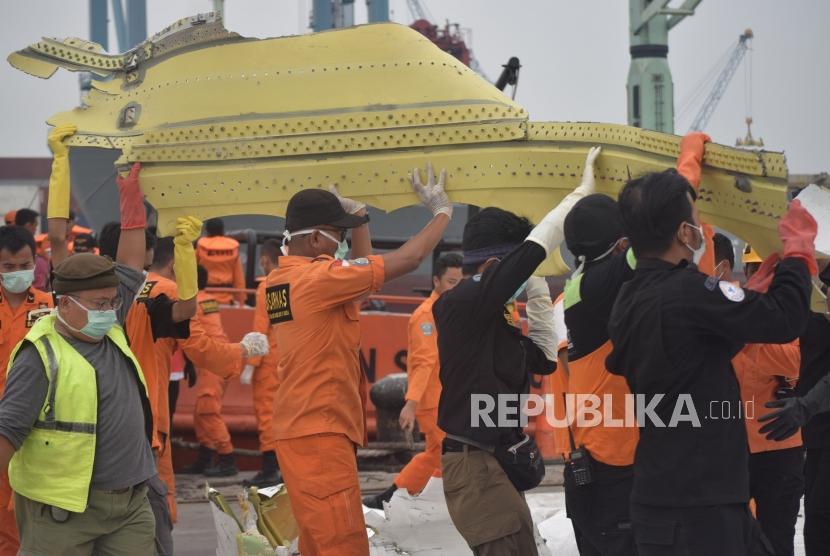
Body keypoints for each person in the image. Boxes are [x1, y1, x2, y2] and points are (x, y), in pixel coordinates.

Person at [606, 168, 816, 554]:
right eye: (696, 220)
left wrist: (740, 305)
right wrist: (799, 252)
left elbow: (686, 353)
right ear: (685, 233)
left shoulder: (627, 300)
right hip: (704, 513)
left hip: (659, 500)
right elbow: (787, 318)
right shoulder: (692, 292)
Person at [269, 168, 451, 555]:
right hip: (320, 432)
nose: (343, 243)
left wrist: (360, 219)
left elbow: (360, 274)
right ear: (316, 237)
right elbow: (410, 257)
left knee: (317, 545)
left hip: (301, 429)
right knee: (344, 544)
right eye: (340, 234)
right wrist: (442, 213)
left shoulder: (282, 281)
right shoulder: (319, 280)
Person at [434, 148, 601, 555]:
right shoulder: (461, 304)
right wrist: (574, 200)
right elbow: (528, 254)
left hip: (497, 463)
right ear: (493, 263)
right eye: (516, 270)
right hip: (474, 464)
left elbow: (544, 356)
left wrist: (538, 283)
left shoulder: (496, 318)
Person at [0, 251, 156, 554]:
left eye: (113, 302)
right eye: (100, 305)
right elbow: (7, 431)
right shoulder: (38, 357)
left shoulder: (110, 328)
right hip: (63, 514)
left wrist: (134, 202)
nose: (109, 311)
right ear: (65, 305)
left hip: (131, 505)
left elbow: (131, 259)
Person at [145, 237, 268, 520]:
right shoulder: (183, 296)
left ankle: (222, 457)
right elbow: (199, 343)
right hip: (204, 364)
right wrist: (242, 351)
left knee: (207, 409)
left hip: (204, 364)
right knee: (204, 411)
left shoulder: (142, 289)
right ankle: (216, 456)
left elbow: (197, 339)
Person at [713, 233, 804, 556]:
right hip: (728, 447)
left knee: (776, 540)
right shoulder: (729, 306)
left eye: (762, 272)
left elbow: (793, 363)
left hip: (777, 447)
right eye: (752, 271)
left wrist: (748, 332)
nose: (757, 279)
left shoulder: (789, 316)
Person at [560, 193, 637, 556]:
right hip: (614, 465)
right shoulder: (595, 287)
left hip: (595, 465)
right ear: (621, 244)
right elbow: (653, 245)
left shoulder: (580, 286)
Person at [363, 251, 463, 509]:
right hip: (434, 401)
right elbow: (423, 361)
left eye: (459, 282)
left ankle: (390, 497)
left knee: (434, 455)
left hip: (448, 398)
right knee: (449, 457)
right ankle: (435, 504)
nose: (456, 288)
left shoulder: (450, 311)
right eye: (451, 282)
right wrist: (412, 402)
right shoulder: (426, 316)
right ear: (436, 281)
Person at [0, 226, 53, 555]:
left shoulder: (51, 308)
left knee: (26, 519)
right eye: (8, 267)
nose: (18, 272)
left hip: (35, 430)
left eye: (24, 265)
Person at [182, 266, 245, 477]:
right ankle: (205, 456)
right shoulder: (208, 299)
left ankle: (227, 458)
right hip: (218, 359)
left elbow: (187, 332)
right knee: (200, 413)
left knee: (207, 411)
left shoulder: (193, 302)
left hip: (213, 360)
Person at [793, 265, 830, 555]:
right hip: (816, 437)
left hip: (814, 426)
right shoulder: (814, 327)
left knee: (820, 512)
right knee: (816, 516)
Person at [240, 238, 283, 487]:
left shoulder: (266, 286)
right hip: (287, 359)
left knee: (266, 413)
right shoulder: (292, 281)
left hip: (268, 360)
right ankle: (282, 466)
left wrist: (251, 364)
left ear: (265, 260)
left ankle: (269, 468)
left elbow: (260, 328)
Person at [196, 217, 246, 306]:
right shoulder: (232, 248)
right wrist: (240, 300)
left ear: (207, 231)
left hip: (204, 300)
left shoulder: (201, 247)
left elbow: (191, 272)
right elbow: (239, 279)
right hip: (227, 299)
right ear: (223, 230)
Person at [13, 208, 50, 291]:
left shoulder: (6, 240)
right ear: (28, 225)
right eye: (35, 227)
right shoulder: (27, 244)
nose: (35, 230)